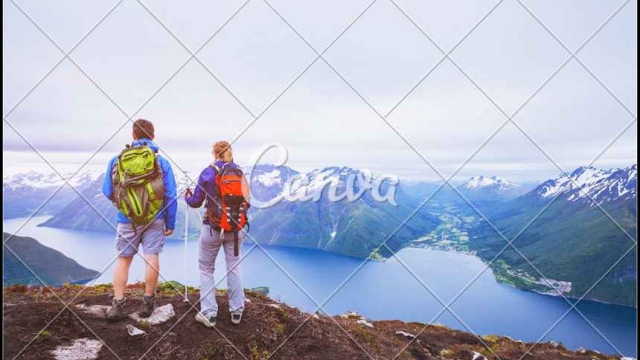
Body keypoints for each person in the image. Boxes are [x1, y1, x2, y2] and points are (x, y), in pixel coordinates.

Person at [102, 119, 177, 322]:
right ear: (153, 136)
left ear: (133, 135)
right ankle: (148, 302)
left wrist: (125, 205)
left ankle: (118, 306)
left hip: (127, 219)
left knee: (124, 260)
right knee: (151, 257)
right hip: (155, 217)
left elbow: (107, 190)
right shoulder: (161, 162)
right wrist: (170, 223)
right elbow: (170, 195)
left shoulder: (117, 160)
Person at [185, 141, 246, 327]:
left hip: (212, 228)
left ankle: (209, 313)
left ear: (214, 153)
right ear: (230, 152)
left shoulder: (208, 172)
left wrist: (187, 196)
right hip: (235, 229)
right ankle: (237, 312)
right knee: (233, 267)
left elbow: (195, 202)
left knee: (206, 269)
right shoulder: (239, 172)